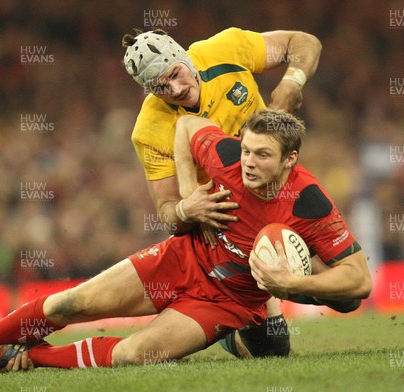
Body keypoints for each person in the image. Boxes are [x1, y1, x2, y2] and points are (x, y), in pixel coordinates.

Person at [0, 109, 370, 370]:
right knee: (70, 304)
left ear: (290, 160)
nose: (248, 163)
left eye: (262, 155)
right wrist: (188, 198)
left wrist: (296, 286)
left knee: (134, 356)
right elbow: (185, 126)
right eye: (246, 150)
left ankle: (25, 359)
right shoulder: (225, 157)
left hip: (226, 303)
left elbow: (359, 282)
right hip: (180, 259)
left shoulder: (310, 202)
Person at [122, 27, 322, 358]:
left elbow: (304, 42)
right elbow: (169, 212)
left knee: (347, 294)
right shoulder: (148, 130)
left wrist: (291, 82)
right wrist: (187, 211)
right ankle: (223, 325)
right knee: (272, 350)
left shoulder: (225, 49)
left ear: (183, 56)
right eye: (159, 88)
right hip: (226, 230)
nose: (174, 89)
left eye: (175, 74)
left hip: (277, 196)